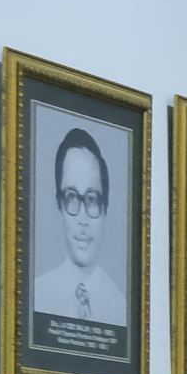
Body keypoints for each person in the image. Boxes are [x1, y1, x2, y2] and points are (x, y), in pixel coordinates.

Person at [32, 128, 124, 330]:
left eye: (92, 200)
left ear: (105, 209)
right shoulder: (36, 296)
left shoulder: (121, 308)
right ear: (59, 206)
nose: (82, 219)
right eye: (72, 198)